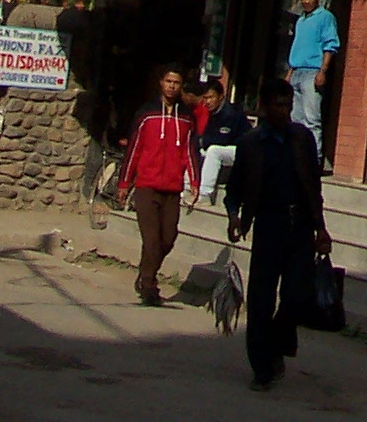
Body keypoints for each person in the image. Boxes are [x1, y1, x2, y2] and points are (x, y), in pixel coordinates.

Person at [226, 76, 331, 392]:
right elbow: (234, 190)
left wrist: (320, 227)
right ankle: (261, 366)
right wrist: (235, 217)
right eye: (278, 105)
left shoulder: (302, 140)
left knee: (297, 296)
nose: (284, 111)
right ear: (264, 107)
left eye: (288, 105)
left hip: (299, 227)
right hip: (268, 226)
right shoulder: (251, 144)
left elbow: (314, 187)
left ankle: (275, 342)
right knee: (260, 299)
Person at [117, 63, 200, 306]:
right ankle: (148, 284)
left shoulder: (186, 118)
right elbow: (134, 149)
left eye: (177, 83)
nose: (172, 87)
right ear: (161, 83)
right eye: (169, 82)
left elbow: (190, 151)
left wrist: (194, 181)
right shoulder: (146, 114)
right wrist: (124, 182)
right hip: (147, 185)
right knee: (152, 239)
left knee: (168, 238)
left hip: (172, 188)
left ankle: (145, 274)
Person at [286, 0, 340, 160]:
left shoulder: (325, 17)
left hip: (312, 72)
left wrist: (322, 71)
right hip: (296, 72)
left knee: (311, 119)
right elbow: (298, 47)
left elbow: (330, 45)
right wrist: (289, 73)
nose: (306, 1)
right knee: (295, 119)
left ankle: (313, 159)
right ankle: (295, 157)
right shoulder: (301, 20)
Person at [194, 77, 252, 207]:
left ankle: (206, 194)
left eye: (211, 97)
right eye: (205, 98)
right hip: (226, 149)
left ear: (221, 97)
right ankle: (188, 189)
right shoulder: (212, 113)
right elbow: (205, 138)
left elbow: (222, 140)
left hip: (244, 151)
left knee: (214, 151)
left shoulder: (230, 113)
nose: (207, 102)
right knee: (195, 149)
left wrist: (205, 142)